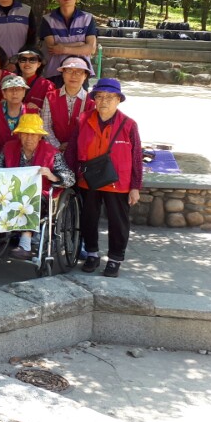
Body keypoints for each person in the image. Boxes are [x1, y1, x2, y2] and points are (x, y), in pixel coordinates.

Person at [65, 79, 143, 278]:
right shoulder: (83, 120)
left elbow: (136, 157)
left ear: (118, 100)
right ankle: (92, 254)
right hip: (88, 180)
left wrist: (135, 186)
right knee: (88, 219)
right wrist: (69, 176)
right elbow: (72, 150)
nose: (104, 101)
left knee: (118, 222)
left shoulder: (129, 124)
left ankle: (115, 259)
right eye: (99, 96)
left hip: (118, 182)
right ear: (94, 99)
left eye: (109, 97)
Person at [0, 113, 75, 259]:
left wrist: (52, 176)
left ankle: (25, 244)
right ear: (19, 135)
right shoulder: (9, 148)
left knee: (29, 199)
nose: (29, 138)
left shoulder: (52, 153)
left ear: (40, 136)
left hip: (40, 195)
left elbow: (70, 178)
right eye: (25, 134)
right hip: (9, 193)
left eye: (33, 134)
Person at [40, 0, 98, 84]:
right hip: (55, 73)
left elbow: (91, 49)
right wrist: (80, 44)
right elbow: (53, 48)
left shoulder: (87, 19)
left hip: (80, 72)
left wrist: (64, 49)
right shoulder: (48, 20)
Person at [41, 57, 96, 151]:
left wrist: (74, 146)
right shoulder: (50, 97)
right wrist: (57, 146)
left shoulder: (91, 101)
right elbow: (45, 126)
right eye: (69, 71)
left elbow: (91, 130)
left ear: (85, 76)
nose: (73, 75)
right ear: (63, 74)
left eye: (79, 71)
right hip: (54, 149)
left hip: (80, 150)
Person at [15, 46, 55, 111]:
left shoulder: (47, 85)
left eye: (32, 60)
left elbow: (53, 111)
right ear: (18, 62)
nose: (27, 63)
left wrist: (38, 110)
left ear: (39, 64)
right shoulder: (9, 82)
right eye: (23, 59)